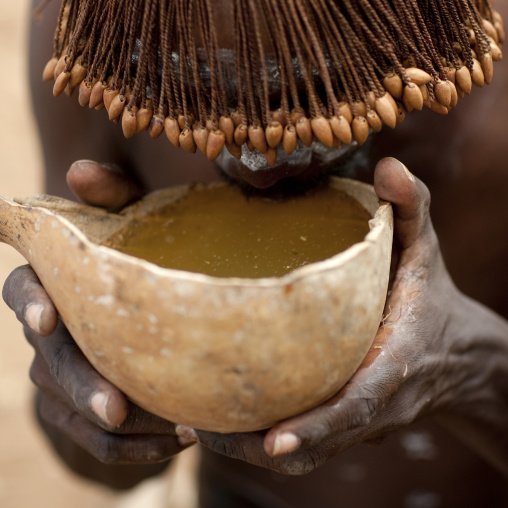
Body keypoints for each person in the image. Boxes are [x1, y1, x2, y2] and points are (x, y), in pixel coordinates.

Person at [3, 0, 508, 506]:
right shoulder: (106, 47)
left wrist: (472, 366)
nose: (258, 163)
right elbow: (98, 467)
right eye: (199, 95)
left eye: (313, 88)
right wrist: (96, 399)